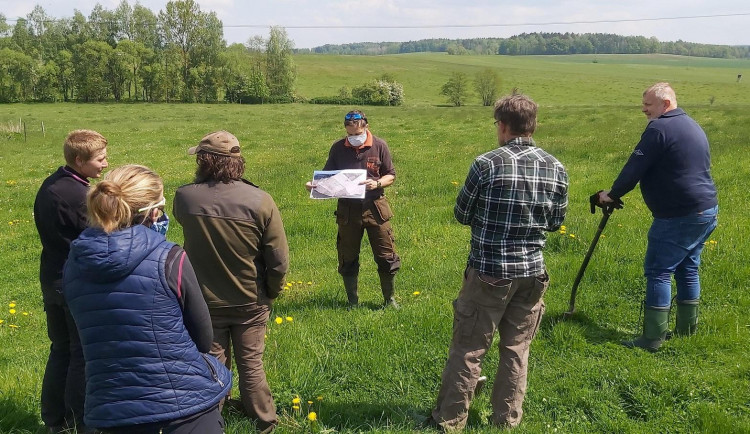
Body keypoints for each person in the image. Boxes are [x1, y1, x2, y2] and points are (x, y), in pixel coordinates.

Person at [429, 94, 568, 430]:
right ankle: (505, 420)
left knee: (469, 348)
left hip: (489, 272)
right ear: (532, 125)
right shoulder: (556, 167)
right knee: (517, 349)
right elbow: (555, 222)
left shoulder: (486, 164)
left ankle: (449, 420)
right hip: (533, 273)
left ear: (503, 126)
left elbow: (462, 213)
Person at [62, 165, 231, 433]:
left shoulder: (75, 262)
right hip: (184, 400)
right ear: (153, 213)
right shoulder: (170, 258)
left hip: (111, 405)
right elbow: (203, 337)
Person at [174, 131, 289, 433]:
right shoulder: (260, 200)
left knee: (211, 363)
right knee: (252, 364)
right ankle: (264, 421)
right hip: (250, 298)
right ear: (238, 161)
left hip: (203, 300)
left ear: (204, 161)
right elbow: (278, 257)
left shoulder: (185, 197)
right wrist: (271, 293)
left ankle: (212, 419)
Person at [595, 82, 718, 352]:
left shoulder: (659, 128)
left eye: (648, 105)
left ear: (665, 104)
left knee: (659, 271)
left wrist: (612, 194)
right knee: (687, 267)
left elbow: (634, 167)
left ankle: (652, 338)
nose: (643, 110)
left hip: (678, 215)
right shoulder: (692, 124)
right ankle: (687, 331)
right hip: (706, 209)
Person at [33, 129, 108, 433]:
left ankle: (54, 419)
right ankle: (78, 421)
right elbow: (101, 237)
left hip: (52, 277)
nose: (105, 163)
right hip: (73, 283)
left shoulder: (53, 183)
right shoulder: (79, 197)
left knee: (60, 349)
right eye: (100, 159)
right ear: (80, 160)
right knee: (81, 354)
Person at [305, 110, 401, 308]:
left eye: (357, 134)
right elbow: (328, 176)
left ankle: (389, 300)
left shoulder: (379, 145)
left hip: (375, 207)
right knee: (347, 257)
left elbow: (390, 175)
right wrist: (314, 185)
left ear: (365, 126)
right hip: (347, 211)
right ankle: (352, 301)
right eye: (350, 134)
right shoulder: (338, 148)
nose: (354, 138)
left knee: (386, 256)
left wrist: (378, 183)